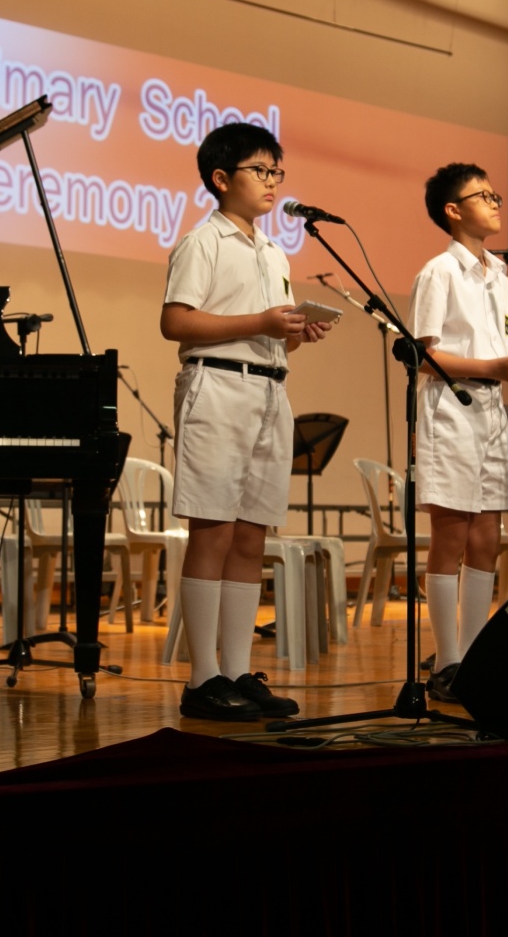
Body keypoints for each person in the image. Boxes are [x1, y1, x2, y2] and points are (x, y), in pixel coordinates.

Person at [160, 122, 332, 722]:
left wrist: (295, 333)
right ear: (220, 178)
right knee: (213, 530)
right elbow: (175, 322)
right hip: (216, 388)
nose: (271, 181)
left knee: (252, 536)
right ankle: (202, 678)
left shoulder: (274, 251)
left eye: (276, 171)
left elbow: (269, 333)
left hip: (269, 390)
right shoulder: (202, 242)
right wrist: (262, 323)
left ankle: (237, 670)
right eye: (260, 170)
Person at [407, 162, 508, 703]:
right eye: (482, 195)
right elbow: (423, 356)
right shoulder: (439, 272)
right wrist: (492, 368)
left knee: (488, 537)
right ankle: (447, 662)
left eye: (494, 194)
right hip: (451, 409)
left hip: (491, 412)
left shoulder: (500, 275)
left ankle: (474, 658)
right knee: (452, 534)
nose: (494, 202)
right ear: (453, 210)